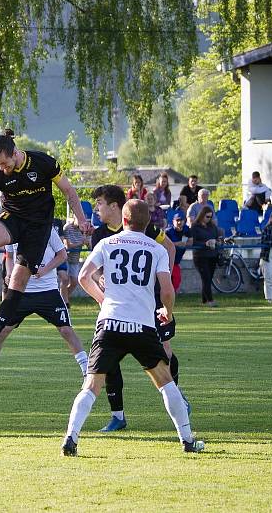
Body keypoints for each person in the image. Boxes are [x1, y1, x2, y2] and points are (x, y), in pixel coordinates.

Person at [61, 199, 204, 456]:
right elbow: (168, 289)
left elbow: (83, 276)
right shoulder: (157, 249)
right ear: (148, 223)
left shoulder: (106, 243)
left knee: (91, 385)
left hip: (110, 323)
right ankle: (187, 439)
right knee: (166, 382)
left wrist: (102, 299)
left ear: (124, 220)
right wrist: (167, 313)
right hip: (142, 325)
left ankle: (71, 438)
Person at [0, 130, 92, 357]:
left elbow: (69, 191)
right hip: (13, 218)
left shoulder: (43, 162)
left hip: (38, 227)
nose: (2, 168)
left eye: (4, 163)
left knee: (18, 282)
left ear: (15, 153)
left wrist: (80, 218)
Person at [90, 184, 181, 432]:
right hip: (117, 307)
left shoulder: (143, 225)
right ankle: (117, 416)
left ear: (115, 206)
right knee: (109, 362)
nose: (96, 208)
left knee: (165, 351)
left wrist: (164, 279)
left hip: (150, 303)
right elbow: (94, 269)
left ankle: (177, 399)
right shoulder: (99, 236)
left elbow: (169, 247)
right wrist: (100, 277)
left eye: (99, 203)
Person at [0, 228, 88, 389]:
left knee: (66, 331)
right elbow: (10, 256)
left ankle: (87, 372)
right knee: (1, 330)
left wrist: (44, 270)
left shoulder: (47, 229)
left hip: (47, 291)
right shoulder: (12, 228)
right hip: (21, 291)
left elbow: (62, 255)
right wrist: (10, 273)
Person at [190, 206, 221, 307]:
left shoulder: (212, 226)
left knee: (209, 278)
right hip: (200, 256)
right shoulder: (194, 227)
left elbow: (217, 237)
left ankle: (204, 300)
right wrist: (205, 243)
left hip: (212, 255)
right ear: (202, 215)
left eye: (210, 217)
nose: (209, 219)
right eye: (207, 217)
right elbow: (192, 241)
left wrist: (217, 241)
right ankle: (210, 300)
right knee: (206, 278)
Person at [62, 215, 89, 307]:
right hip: (66, 259)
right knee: (65, 280)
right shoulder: (67, 228)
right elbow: (67, 245)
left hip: (75, 259)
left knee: (74, 282)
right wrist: (81, 242)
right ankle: (64, 301)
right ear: (74, 217)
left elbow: (90, 246)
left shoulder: (83, 230)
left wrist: (87, 242)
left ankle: (62, 299)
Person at [165, 212, 192, 292]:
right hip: (166, 261)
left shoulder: (187, 230)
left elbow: (191, 242)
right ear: (173, 221)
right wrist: (179, 243)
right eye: (177, 220)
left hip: (176, 261)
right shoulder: (168, 231)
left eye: (181, 220)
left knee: (176, 280)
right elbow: (166, 244)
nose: (179, 222)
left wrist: (181, 243)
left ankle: (172, 294)